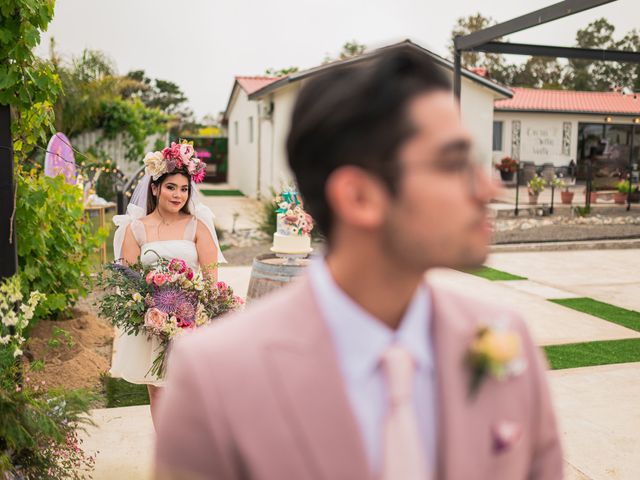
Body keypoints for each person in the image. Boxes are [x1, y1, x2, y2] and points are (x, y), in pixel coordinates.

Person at [155, 46, 563, 479]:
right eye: (454, 163)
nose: (489, 189)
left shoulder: (506, 337)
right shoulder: (214, 379)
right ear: (359, 197)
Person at [110, 141, 225, 428]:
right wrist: (151, 309)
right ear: (155, 188)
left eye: (184, 189)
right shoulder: (135, 228)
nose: (178, 195)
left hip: (191, 321)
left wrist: (197, 314)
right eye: (171, 187)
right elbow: (129, 277)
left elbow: (211, 280)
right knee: (158, 394)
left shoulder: (197, 225)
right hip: (152, 320)